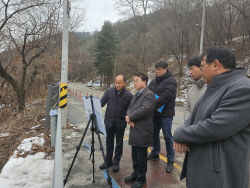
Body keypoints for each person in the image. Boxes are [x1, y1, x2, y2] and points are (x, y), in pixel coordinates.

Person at [173, 46, 250, 188]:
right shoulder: (215, 86)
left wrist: (180, 133)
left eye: (202, 66)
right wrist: (185, 133)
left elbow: (216, 127)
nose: (201, 70)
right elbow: (194, 115)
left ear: (215, 64)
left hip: (221, 174)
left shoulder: (242, 88)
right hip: (204, 169)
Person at [124, 72, 155, 188]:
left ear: (144, 82)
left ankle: (141, 179)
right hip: (134, 129)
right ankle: (135, 174)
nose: (134, 83)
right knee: (135, 156)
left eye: (137, 80)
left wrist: (130, 117)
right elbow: (129, 108)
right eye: (134, 80)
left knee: (142, 157)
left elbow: (145, 109)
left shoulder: (149, 95)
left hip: (143, 130)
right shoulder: (135, 95)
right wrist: (128, 118)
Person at [147, 61, 177, 173]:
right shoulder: (153, 81)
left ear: (165, 69)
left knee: (168, 137)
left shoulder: (171, 81)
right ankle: (155, 153)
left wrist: (152, 104)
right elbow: (148, 93)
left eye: (159, 69)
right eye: (156, 69)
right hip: (155, 114)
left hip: (166, 115)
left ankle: (170, 160)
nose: (157, 71)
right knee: (154, 134)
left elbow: (167, 96)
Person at [99, 74, 133, 172]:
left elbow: (129, 109)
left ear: (125, 83)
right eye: (116, 83)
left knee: (119, 143)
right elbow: (101, 102)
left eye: (119, 83)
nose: (117, 85)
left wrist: (129, 117)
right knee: (109, 142)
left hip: (120, 123)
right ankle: (108, 160)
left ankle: (116, 161)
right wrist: (93, 105)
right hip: (109, 121)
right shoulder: (109, 91)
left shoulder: (129, 95)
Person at [183, 56, 207, 121]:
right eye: (189, 69)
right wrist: (189, 122)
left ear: (201, 67)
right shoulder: (191, 90)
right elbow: (186, 107)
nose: (190, 72)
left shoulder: (211, 87)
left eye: (192, 69)